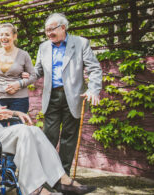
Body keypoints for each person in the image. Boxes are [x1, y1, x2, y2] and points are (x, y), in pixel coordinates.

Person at [0, 53, 97, 195]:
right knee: (24, 131)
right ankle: (36, 189)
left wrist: (16, 113)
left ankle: (61, 180)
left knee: (33, 130)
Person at [33, 13, 102, 176]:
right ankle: (48, 174)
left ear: (62, 27)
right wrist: (24, 78)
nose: (48, 33)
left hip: (73, 97)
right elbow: (37, 70)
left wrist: (93, 89)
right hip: (51, 97)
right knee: (49, 136)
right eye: (46, 30)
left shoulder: (81, 43)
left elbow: (94, 69)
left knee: (69, 138)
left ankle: (63, 175)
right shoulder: (43, 47)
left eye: (51, 29)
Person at [0, 23, 36, 125]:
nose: (4, 37)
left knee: (17, 130)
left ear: (14, 36)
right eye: (1, 35)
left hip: (19, 100)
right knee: (0, 130)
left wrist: (19, 84)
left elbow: (33, 75)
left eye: (7, 35)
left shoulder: (23, 55)